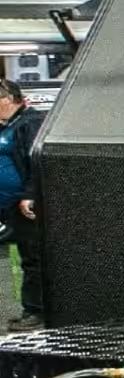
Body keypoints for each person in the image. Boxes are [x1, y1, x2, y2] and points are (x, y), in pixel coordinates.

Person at [0, 80, 44, 330]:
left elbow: (36, 161)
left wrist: (30, 194)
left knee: (32, 258)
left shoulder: (30, 122)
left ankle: (35, 311)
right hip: (8, 205)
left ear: (6, 100)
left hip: (23, 205)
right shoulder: (8, 125)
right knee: (24, 258)